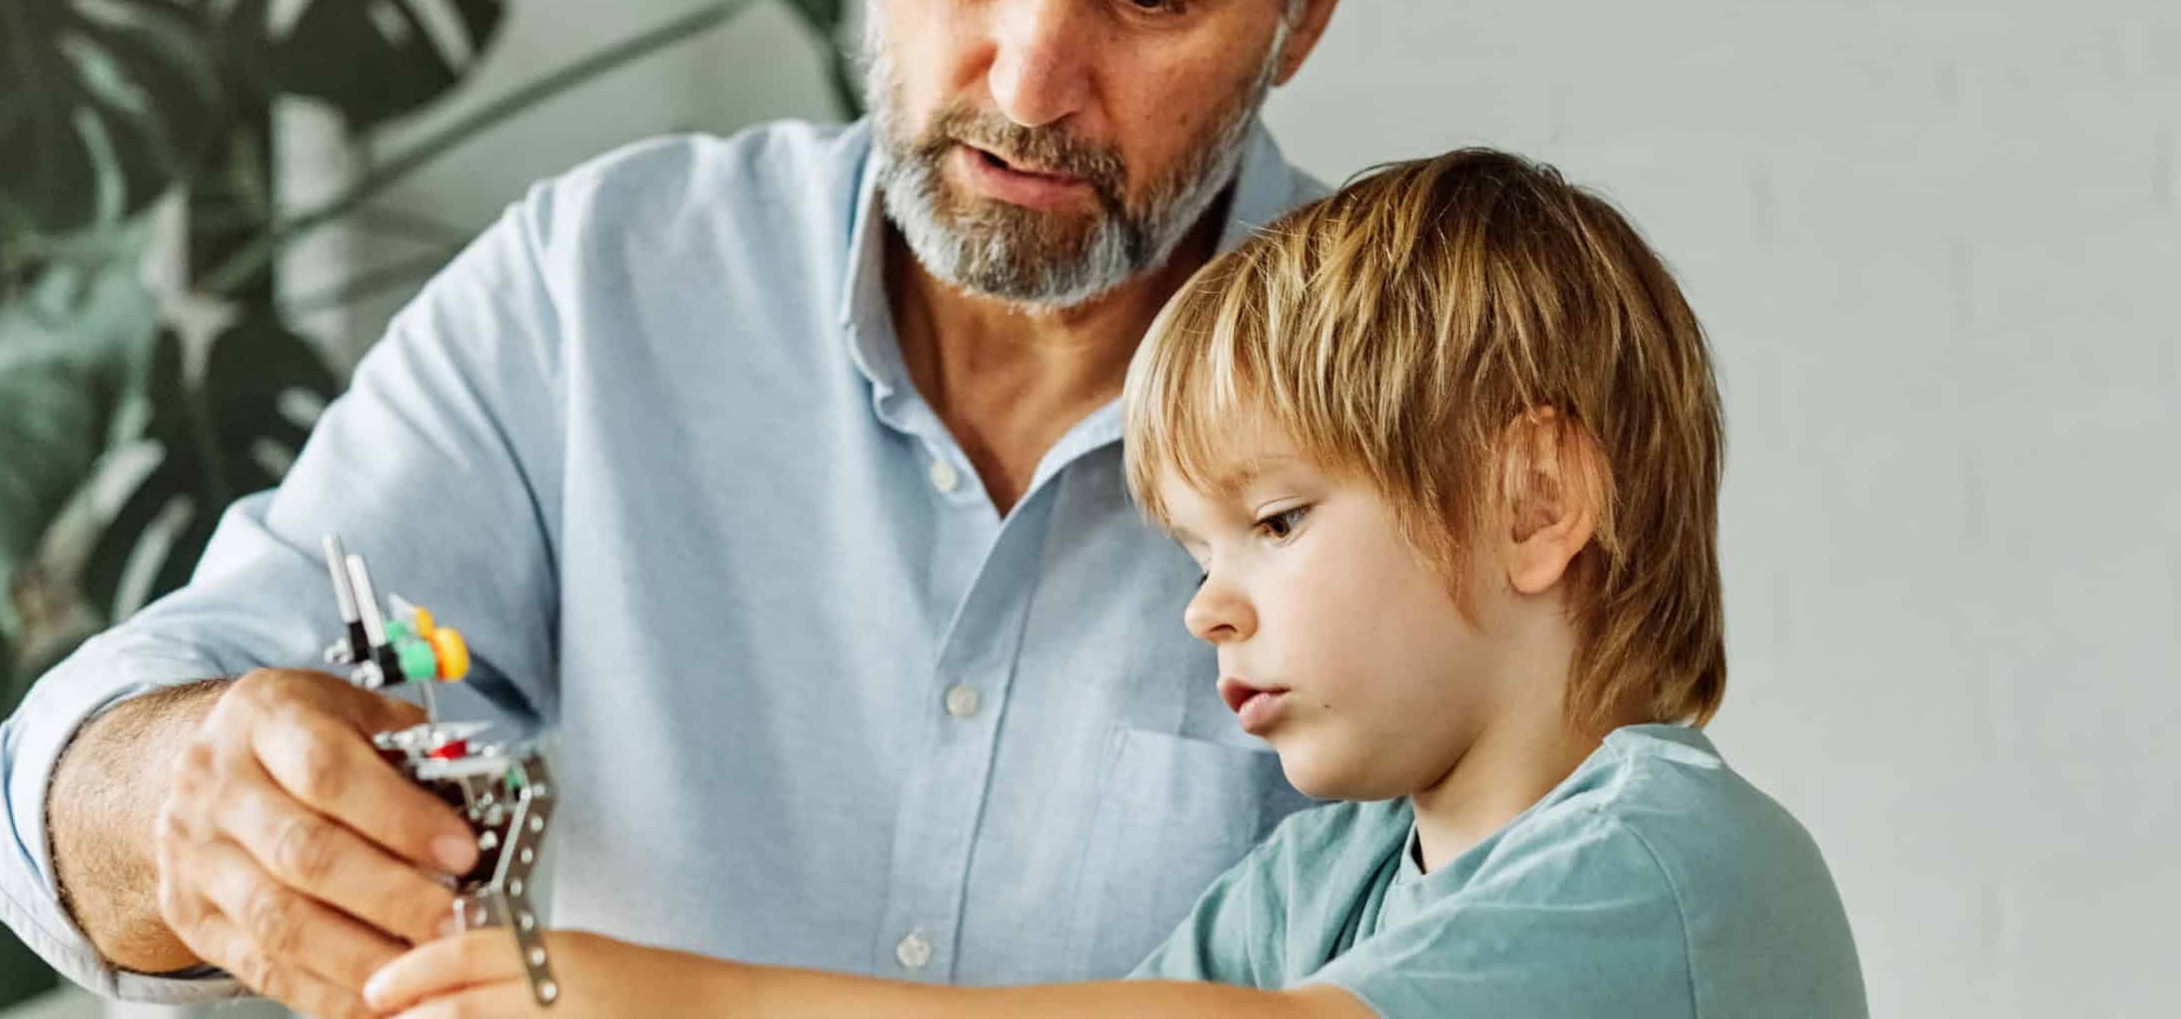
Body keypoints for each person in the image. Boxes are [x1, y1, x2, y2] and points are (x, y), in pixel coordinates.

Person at [0, 0, 1400, 1015]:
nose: (1029, 81)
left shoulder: (1439, 410)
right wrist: (187, 803)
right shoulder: (604, 291)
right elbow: (63, 789)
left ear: (1309, 13)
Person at [357, 149, 1874, 1018]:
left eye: (1274, 523)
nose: (1207, 608)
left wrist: (695, 1007)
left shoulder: (1677, 876)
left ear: (1534, 502)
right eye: (1197, 555)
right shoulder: (1318, 886)